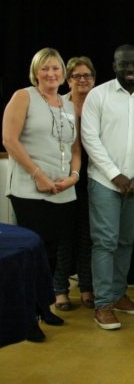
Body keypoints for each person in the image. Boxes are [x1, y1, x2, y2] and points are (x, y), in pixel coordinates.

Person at [81, 44, 134, 330]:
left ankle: (118, 295)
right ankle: (103, 304)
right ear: (114, 66)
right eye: (123, 65)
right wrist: (115, 175)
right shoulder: (98, 96)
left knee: (126, 240)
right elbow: (90, 138)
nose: (129, 70)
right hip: (105, 182)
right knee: (105, 241)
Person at [2, 47, 80, 330]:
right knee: (30, 252)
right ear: (35, 72)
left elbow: (75, 147)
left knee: (51, 253)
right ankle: (26, 316)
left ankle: (42, 308)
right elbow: (9, 140)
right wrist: (37, 174)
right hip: (30, 189)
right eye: (45, 68)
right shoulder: (23, 97)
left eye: (56, 69)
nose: (51, 73)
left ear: (63, 74)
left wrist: (73, 175)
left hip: (63, 190)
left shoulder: (68, 105)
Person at [53, 56, 96, 311]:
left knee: (87, 235)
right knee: (63, 236)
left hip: (93, 177)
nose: (82, 80)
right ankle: (60, 290)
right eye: (76, 76)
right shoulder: (58, 104)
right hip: (64, 176)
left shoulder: (98, 103)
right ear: (68, 79)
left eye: (87, 76)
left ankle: (87, 287)